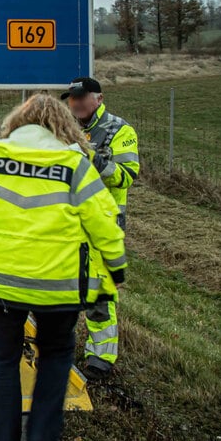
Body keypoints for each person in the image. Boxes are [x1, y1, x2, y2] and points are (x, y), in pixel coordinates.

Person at [0, 93, 126, 441]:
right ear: (63, 126)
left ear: (18, 122)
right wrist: (117, 268)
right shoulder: (75, 164)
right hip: (58, 285)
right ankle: (42, 440)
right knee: (56, 355)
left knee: (1, 358)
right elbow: (104, 222)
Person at [61, 77, 140, 379]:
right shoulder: (65, 127)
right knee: (64, 285)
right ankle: (60, 346)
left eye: (82, 97)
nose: (76, 103)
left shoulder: (120, 130)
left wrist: (90, 158)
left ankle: (101, 357)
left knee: (100, 290)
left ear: (99, 98)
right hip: (67, 218)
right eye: (71, 98)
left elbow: (126, 176)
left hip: (104, 222)